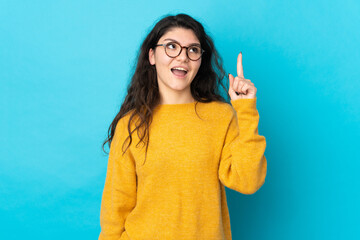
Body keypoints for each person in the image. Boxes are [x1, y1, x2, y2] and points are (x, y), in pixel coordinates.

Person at [98, 13, 267, 240]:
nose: (183, 57)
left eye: (193, 50)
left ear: (200, 60)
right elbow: (115, 208)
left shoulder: (221, 116)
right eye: (171, 47)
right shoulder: (131, 123)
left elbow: (247, 181)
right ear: (152, 56)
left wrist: (245, 110)